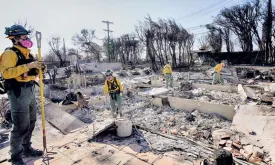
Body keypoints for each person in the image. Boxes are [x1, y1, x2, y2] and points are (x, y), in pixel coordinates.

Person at [0, 25, 45, 165]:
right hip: (18, 91)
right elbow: (6, 73)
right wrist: (29, 66)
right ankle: (15, 156)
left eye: (27, 36)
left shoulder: (28, 53)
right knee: (20, 124)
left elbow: (35, 72)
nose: (27, 39)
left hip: (30, 88)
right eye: (24, 37)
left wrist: (40, 67)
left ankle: (26, 148)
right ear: (15, 38)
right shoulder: (10, 53)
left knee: (31, 121)